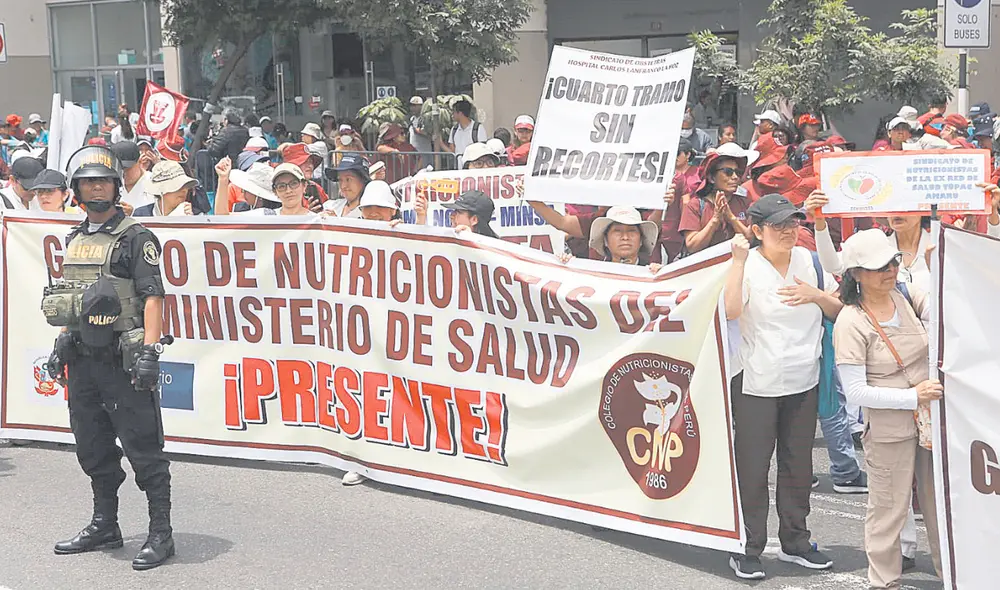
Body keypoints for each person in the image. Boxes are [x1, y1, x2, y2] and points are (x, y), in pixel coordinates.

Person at [44, 145, 173, 570]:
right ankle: (105, 525)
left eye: (102, 180)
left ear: (116, 186)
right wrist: (62, 340)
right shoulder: (75, 238)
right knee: (93, 445)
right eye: (87, 182)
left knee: (143, 447)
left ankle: (161, 534)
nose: (95, 187)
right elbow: (72, 299)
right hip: (83, 359)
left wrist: (150, 352)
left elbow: (153, 297)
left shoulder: (137, 237)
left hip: (123, 358)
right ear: (77, 190)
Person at [724, 194, 840, 579]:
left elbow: (838, 308)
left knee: (797, 466)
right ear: (756, 231)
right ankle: (747, 545)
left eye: (793, 224)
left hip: (803, 380)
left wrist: (816, 295)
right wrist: (738, 262)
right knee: (753, 468)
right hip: (757, 381)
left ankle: (796, 541)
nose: (789, 231)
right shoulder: (747, 264)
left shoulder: (807, 260)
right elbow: (730, 311)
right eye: (779, 226)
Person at [832, 228, 943, 589]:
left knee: (941, 506)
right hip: (889, 427)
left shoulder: (908, 295)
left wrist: (938, 264)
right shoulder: (850, 321)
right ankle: (884, 582)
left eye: (893, 261)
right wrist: (913, 397)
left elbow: (946, 305)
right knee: (888, 512)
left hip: (931, 421)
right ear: (856, 275)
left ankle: (955, 574)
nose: (889, 270)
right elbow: (856, 393)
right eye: (879, 266)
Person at [679, 142, 758, 255]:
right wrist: (715, 220)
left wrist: (731, 217)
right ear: (711, 178)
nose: (735, 177)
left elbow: (750, 240)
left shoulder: (744, 202)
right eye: (728, 172)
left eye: (738, 172)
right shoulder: (695, 205)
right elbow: (692, 246)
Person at [133, 161, 198, 217]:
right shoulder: (140, 216)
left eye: (185, 185)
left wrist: (190, 222)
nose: (184, 190)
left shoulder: (198, 216)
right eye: (177, 186)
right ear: (161, 191)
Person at [214, 159, 279, 214]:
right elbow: (222, 217)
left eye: (246, 190)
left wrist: (223, 179)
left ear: (258, 196)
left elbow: (222, 217)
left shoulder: (278, 212)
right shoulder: (241, 208)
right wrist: (223, 179)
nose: (242, 192)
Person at [442, 100, 487, 166]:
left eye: (454, 112)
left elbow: (482, 149)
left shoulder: (477, 128)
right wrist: (441, 144)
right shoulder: (454, 129)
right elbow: (452, 151)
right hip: (459, 168)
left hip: (474, 166)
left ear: (460, 113)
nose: (452, 115)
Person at [325, 152, 369, 218]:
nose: (343, 186)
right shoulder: (330, 206)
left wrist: (335, 223)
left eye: (348, 179)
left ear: (363, 180)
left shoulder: (371, 213)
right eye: (340, 180)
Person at [110, 141, 152, 211]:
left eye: (126, 169)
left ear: (139, 160)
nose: (123, 174)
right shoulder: (109, 185)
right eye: (118, 169)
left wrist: (135, 214)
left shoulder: (154, 182)